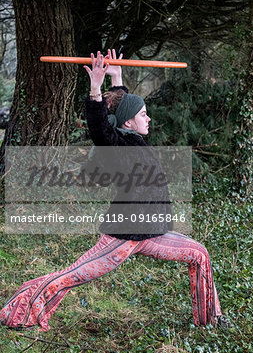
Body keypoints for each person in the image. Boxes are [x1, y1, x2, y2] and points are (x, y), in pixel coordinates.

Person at [0, 50, 224, 331]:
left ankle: (210, 321)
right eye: (144, 114)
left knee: (199, 253)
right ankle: (20, 310)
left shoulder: (135, 140)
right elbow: (101, 129)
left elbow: (121, 110)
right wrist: (95, 90)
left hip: (152, 232)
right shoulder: (119, 145)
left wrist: (117, 79)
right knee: (72, 275)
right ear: (129, 122)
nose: (149, 118)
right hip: (123, 237)